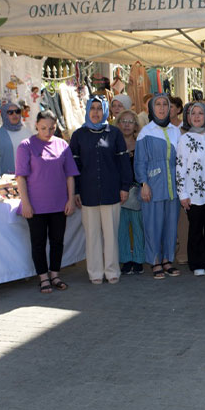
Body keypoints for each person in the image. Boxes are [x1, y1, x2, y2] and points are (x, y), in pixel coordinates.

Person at [70, 96, 132, 285]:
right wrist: (76, 191)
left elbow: (123, 163)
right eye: (92, 108)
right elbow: (74, 167)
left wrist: (124, 187)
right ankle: (95, 272)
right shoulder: (78, 135)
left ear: (104, 111)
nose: (96, 112)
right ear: (88, 111)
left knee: (111, 234)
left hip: (111, 191)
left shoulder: (114, 133)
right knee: (92, 235)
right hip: (87, 192)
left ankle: (112, 270)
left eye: (99, 108)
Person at [16, 110, 78, 293]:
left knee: (58, 240)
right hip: (36, 205)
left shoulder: (62, 145)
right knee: (38, 242)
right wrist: (25, 203)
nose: (48, 131)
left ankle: (55, 274)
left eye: (51, 128)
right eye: (43, 128)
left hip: (59, 203)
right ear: (36, 125)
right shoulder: (25, 146)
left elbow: (70, 175)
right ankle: (43, 277)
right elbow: (21, 177)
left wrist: (70, 199)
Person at [136, 93, 182, 279]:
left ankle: (167, 260)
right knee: (153, 224)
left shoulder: (176, 130)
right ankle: (155, 261)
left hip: (173, 185)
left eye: (165, 104)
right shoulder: (146, 132)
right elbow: (139, 161)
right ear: (152, 109)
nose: (162, 108)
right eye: (158, 105)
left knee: (171, 224)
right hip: (153, 184)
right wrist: (143, 183)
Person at [177, 101, 205, 276]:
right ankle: (197, 263)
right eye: (192, 113)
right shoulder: (185, 139)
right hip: (192, 193)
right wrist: (182, 194)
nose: (196, 117)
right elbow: (179, 166)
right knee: (195, 229)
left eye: (200, 113)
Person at [115, 110, 145, 275]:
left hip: (137, 191)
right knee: (121, 229)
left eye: (130, 121)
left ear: (135, 125)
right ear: (118, 123)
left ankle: (139, 259)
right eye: (123, 121)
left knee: (138, 227)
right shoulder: (113, 143)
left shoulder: (140, 143)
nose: (127, 124)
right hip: (118, 192)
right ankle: (126, 260)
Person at [0, 101, 32, 175]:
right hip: (7, 181)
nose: (14, 114)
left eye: (17, 111)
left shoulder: (28, 133)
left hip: (28, 179)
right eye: (10, 112)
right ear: (4, 115)